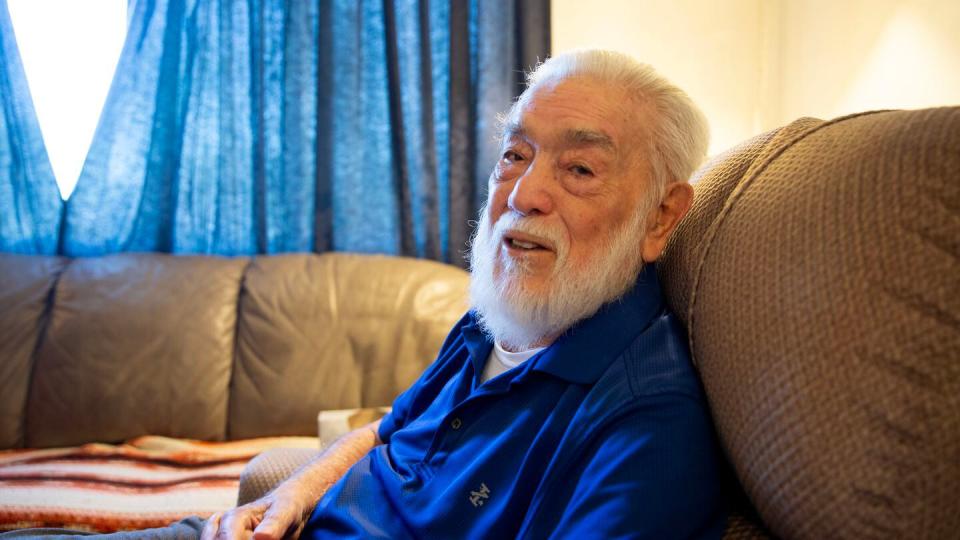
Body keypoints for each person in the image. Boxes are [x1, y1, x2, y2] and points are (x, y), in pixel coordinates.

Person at [201, 49, 727, 540]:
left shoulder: (647, 420)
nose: (522, 195)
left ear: (660, 218)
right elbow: (387, 431)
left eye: (580, 169)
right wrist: (296, 491)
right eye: (516, 155)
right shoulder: (493, 320)